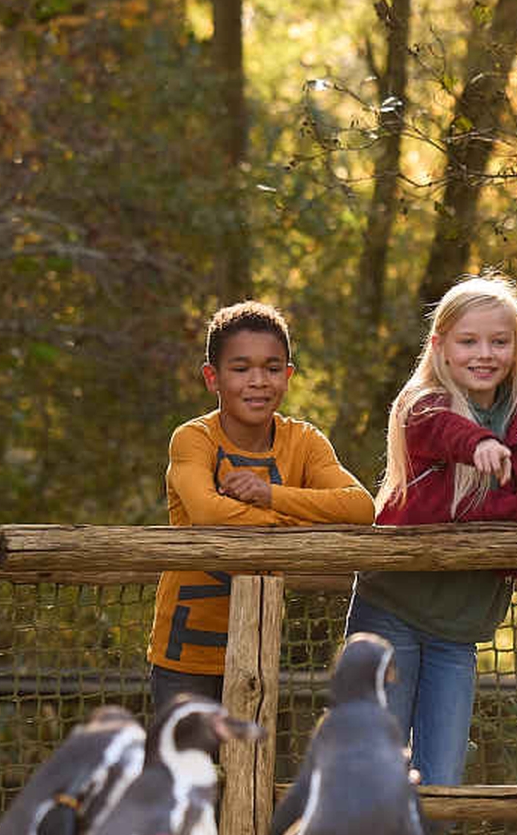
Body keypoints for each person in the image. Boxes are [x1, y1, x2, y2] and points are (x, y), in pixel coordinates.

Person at [348, 274, 517, 789]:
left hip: (460, 630)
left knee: (442, 780)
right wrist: (477, 442)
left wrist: (494, 512)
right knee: (376, 768)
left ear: (516, 350)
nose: (485, 354)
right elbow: (444, 431)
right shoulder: (422, 407)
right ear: (441, 348)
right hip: (392, 611)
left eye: (499, 342)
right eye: (469, 341)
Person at [146, 301, 373, 718]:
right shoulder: (193, 439)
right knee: (186, 781)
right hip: (184, 655)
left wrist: (270, 495)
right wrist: (300, 521)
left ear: (288, 375)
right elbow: (209, 516)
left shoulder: (304, 442)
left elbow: (360, 507)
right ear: (212, 377)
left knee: (250, 776)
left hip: (258, 650)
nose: (258, 382)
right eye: (240, 368)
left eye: (271, 368)